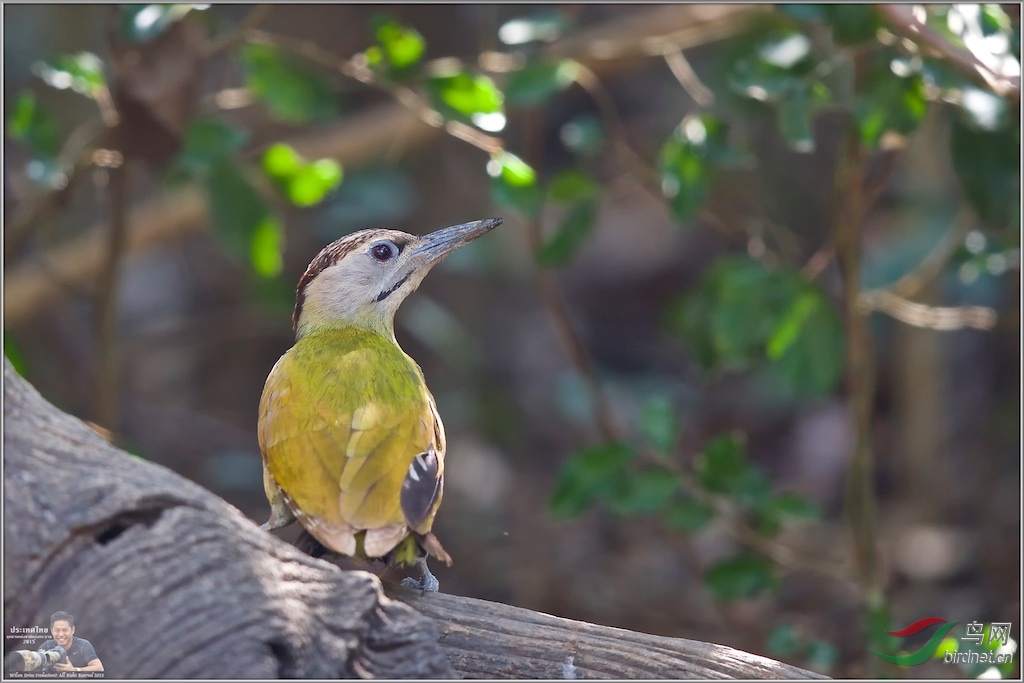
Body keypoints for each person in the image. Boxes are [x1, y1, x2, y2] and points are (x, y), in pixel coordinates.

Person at [37, 611, 104, 674]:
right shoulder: (47, 645)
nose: (61, 634)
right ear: (51, 630)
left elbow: (99, 668)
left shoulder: (83, 646)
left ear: (72, 630)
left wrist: (74, 670)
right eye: (57, 630)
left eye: (65, 630)